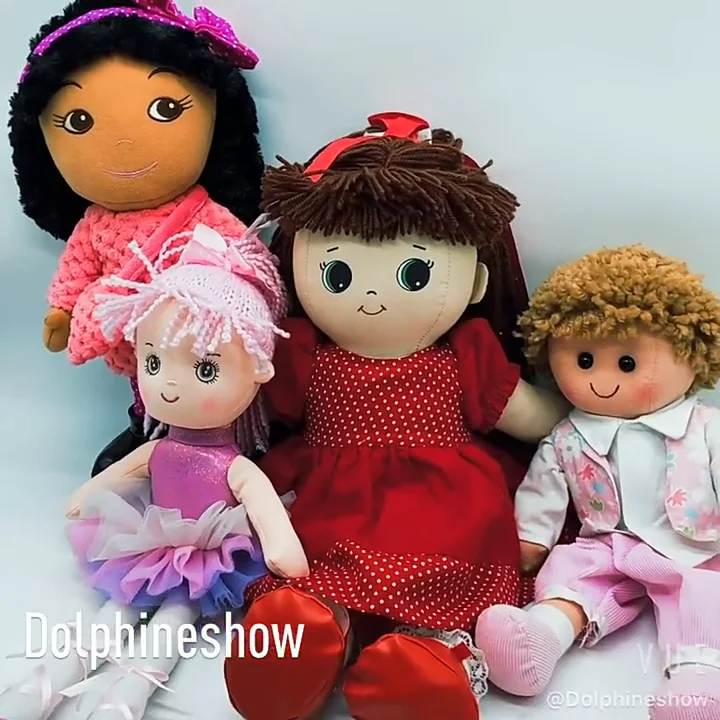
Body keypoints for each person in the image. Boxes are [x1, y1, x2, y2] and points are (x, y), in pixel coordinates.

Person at [224, 111, 570, 720]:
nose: (371, 296)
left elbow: (535, 418)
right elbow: (243, 400)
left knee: (445, 586)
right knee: (314, 577)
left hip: (446, 514)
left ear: (476, 282)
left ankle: (428, 660)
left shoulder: (467, 356)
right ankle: (309, 641)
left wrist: (591, 415)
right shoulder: (302, 352)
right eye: (337, 273)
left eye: (414, 273)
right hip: (330, 501)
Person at [0, 222, 308, 720]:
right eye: (154, 362)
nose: (168, 386)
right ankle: (51, 678)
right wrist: (89, 495)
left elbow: (264, 505)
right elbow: (124, 472)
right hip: (147, 543)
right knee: (116, 609)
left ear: (258, 370)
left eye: (205, 369)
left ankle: (129, 693)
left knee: (176, 617)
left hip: (212, 554)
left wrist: (280, 547)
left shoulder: (235, 466)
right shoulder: (158, 449)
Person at [9, 0, 264, 475]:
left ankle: (221, 439)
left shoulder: (205, 214)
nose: (123, 142)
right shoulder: (96, 224)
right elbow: (77, 268)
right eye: (79, 122)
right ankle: (150, 429)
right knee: (148, 380)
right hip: (133, 341)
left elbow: (244, 258)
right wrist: (62, 310)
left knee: (206, 374)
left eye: (166, 109)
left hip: (198, 334)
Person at [476, 246, 720, 720]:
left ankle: (698, 674)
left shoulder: (703, 427)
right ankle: (542, 637)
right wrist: (531, 538)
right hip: (606, 544)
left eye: (627, 363)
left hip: (691, 547)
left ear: (691, 351)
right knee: (572, 574)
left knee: (701, 595)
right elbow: (543, 488)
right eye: (584, 359)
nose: (602, 380)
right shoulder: (569, 436)